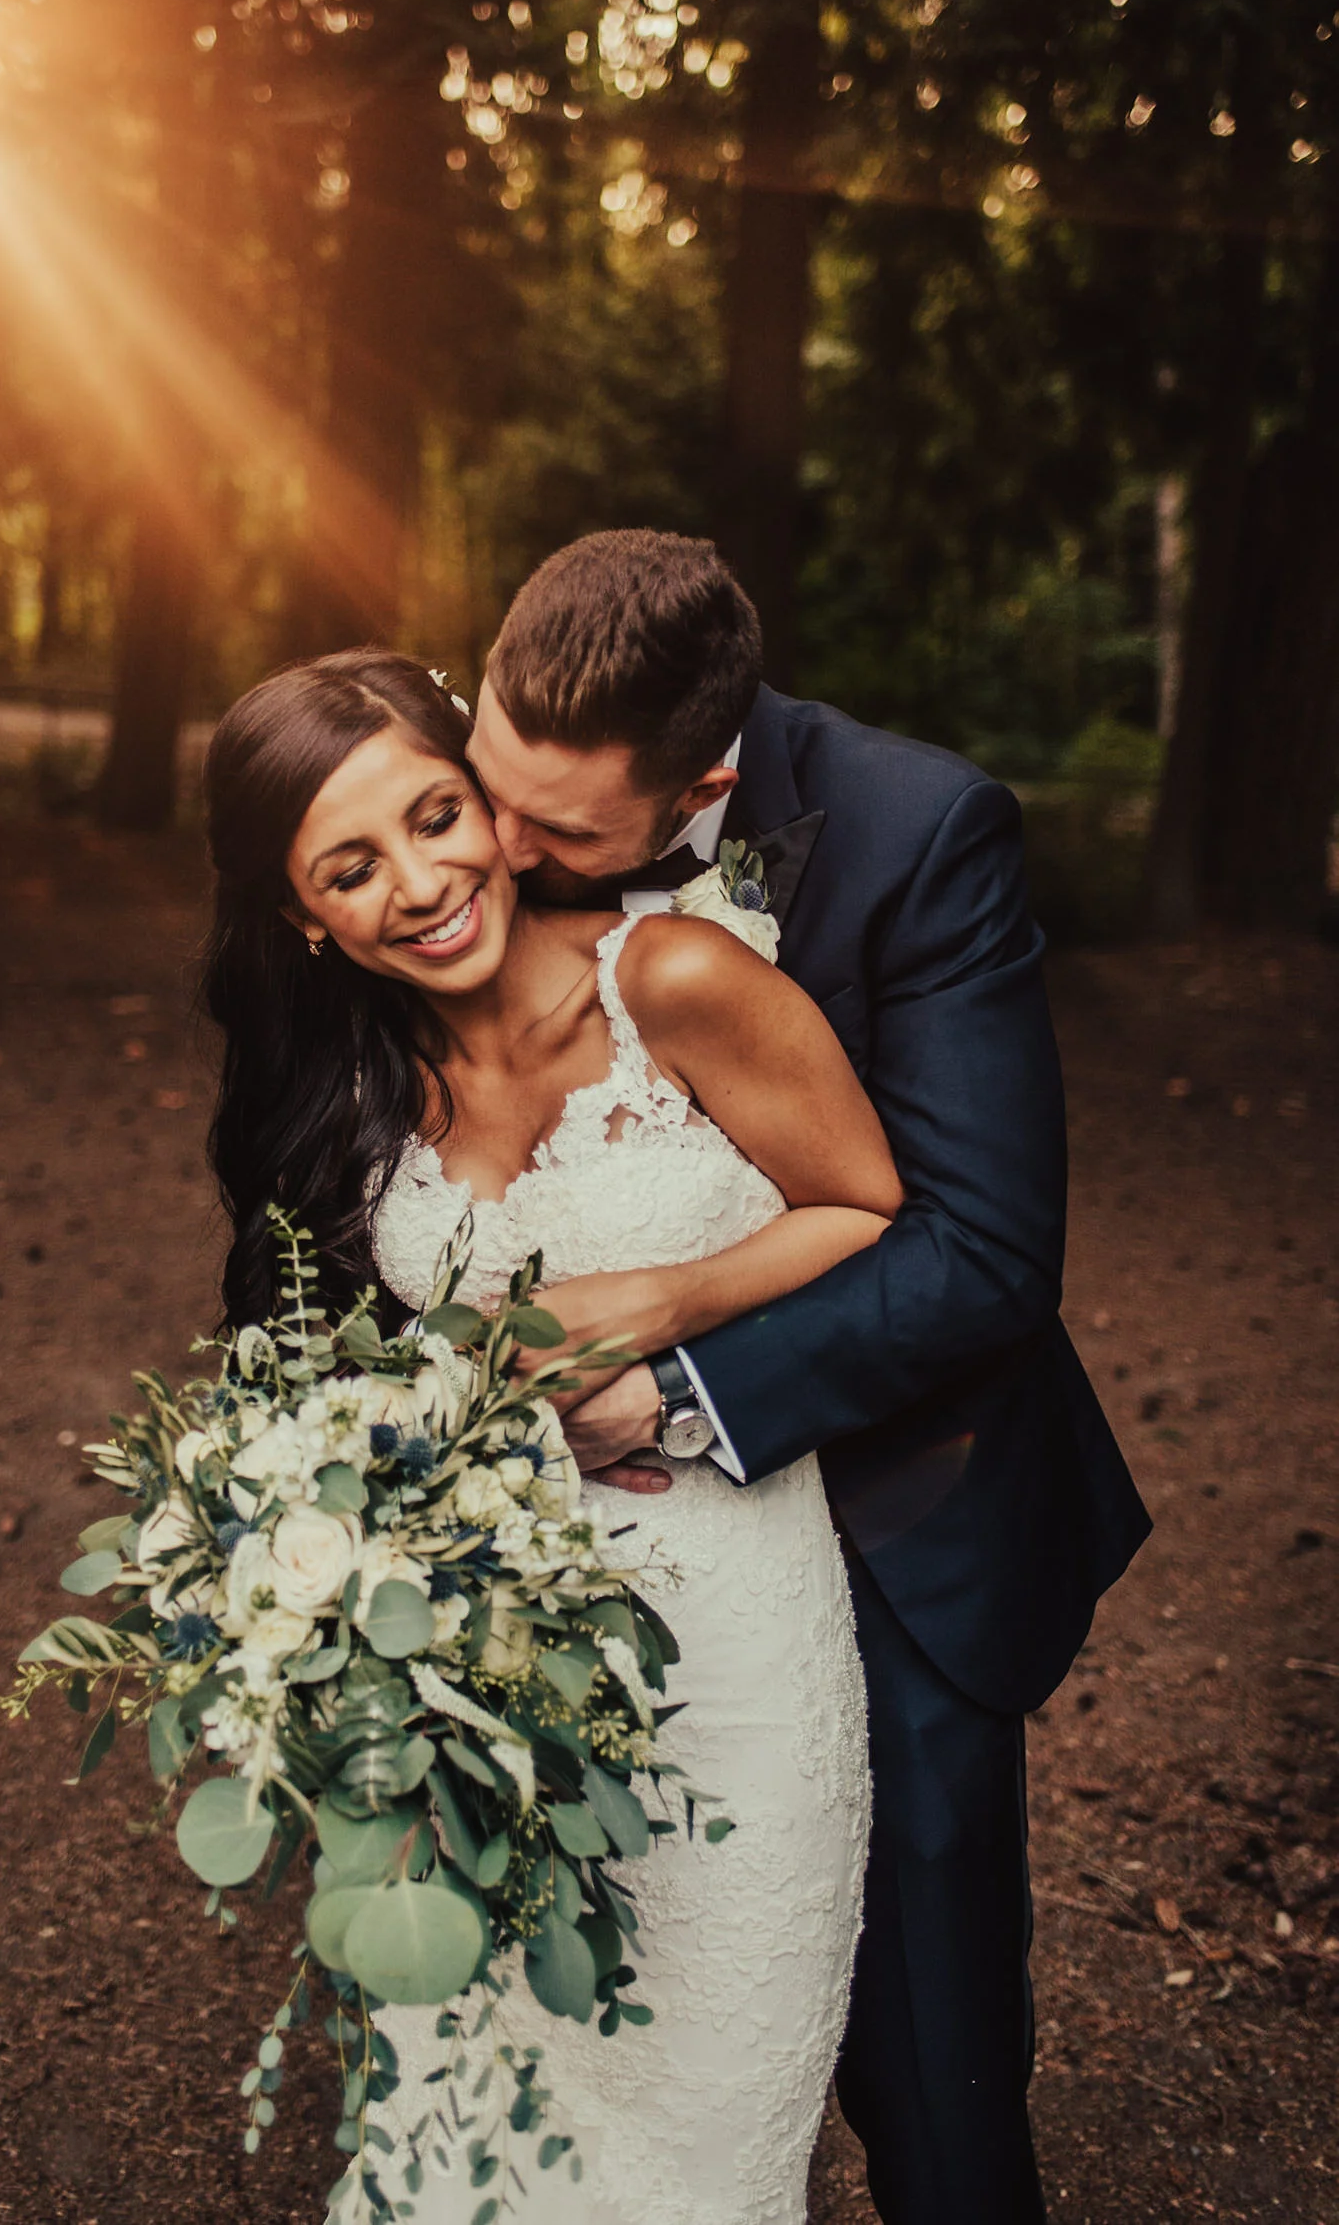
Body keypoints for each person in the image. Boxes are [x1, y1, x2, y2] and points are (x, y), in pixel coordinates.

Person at [460, 528, 1153, 2224]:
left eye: (556, 836)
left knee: (927, 2040)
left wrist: (681, 1382)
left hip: (886, 1498)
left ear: (701, 778)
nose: (494, 851)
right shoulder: (457, 803)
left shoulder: (919, 833)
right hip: (546, 1545)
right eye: (488, 784)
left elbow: (983, 1247)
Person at [201, 645, 905, 2223]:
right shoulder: (358, 1081)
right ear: (308, 916)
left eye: (437, 816)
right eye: (352, 868)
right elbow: (353, 1374)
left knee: (693, 2141)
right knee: (470, 2103)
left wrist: (662, 1295)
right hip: (474, 1675)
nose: (422, 883)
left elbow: (866, 1209)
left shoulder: (675, 979)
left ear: (492, 802)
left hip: (729, 1653)